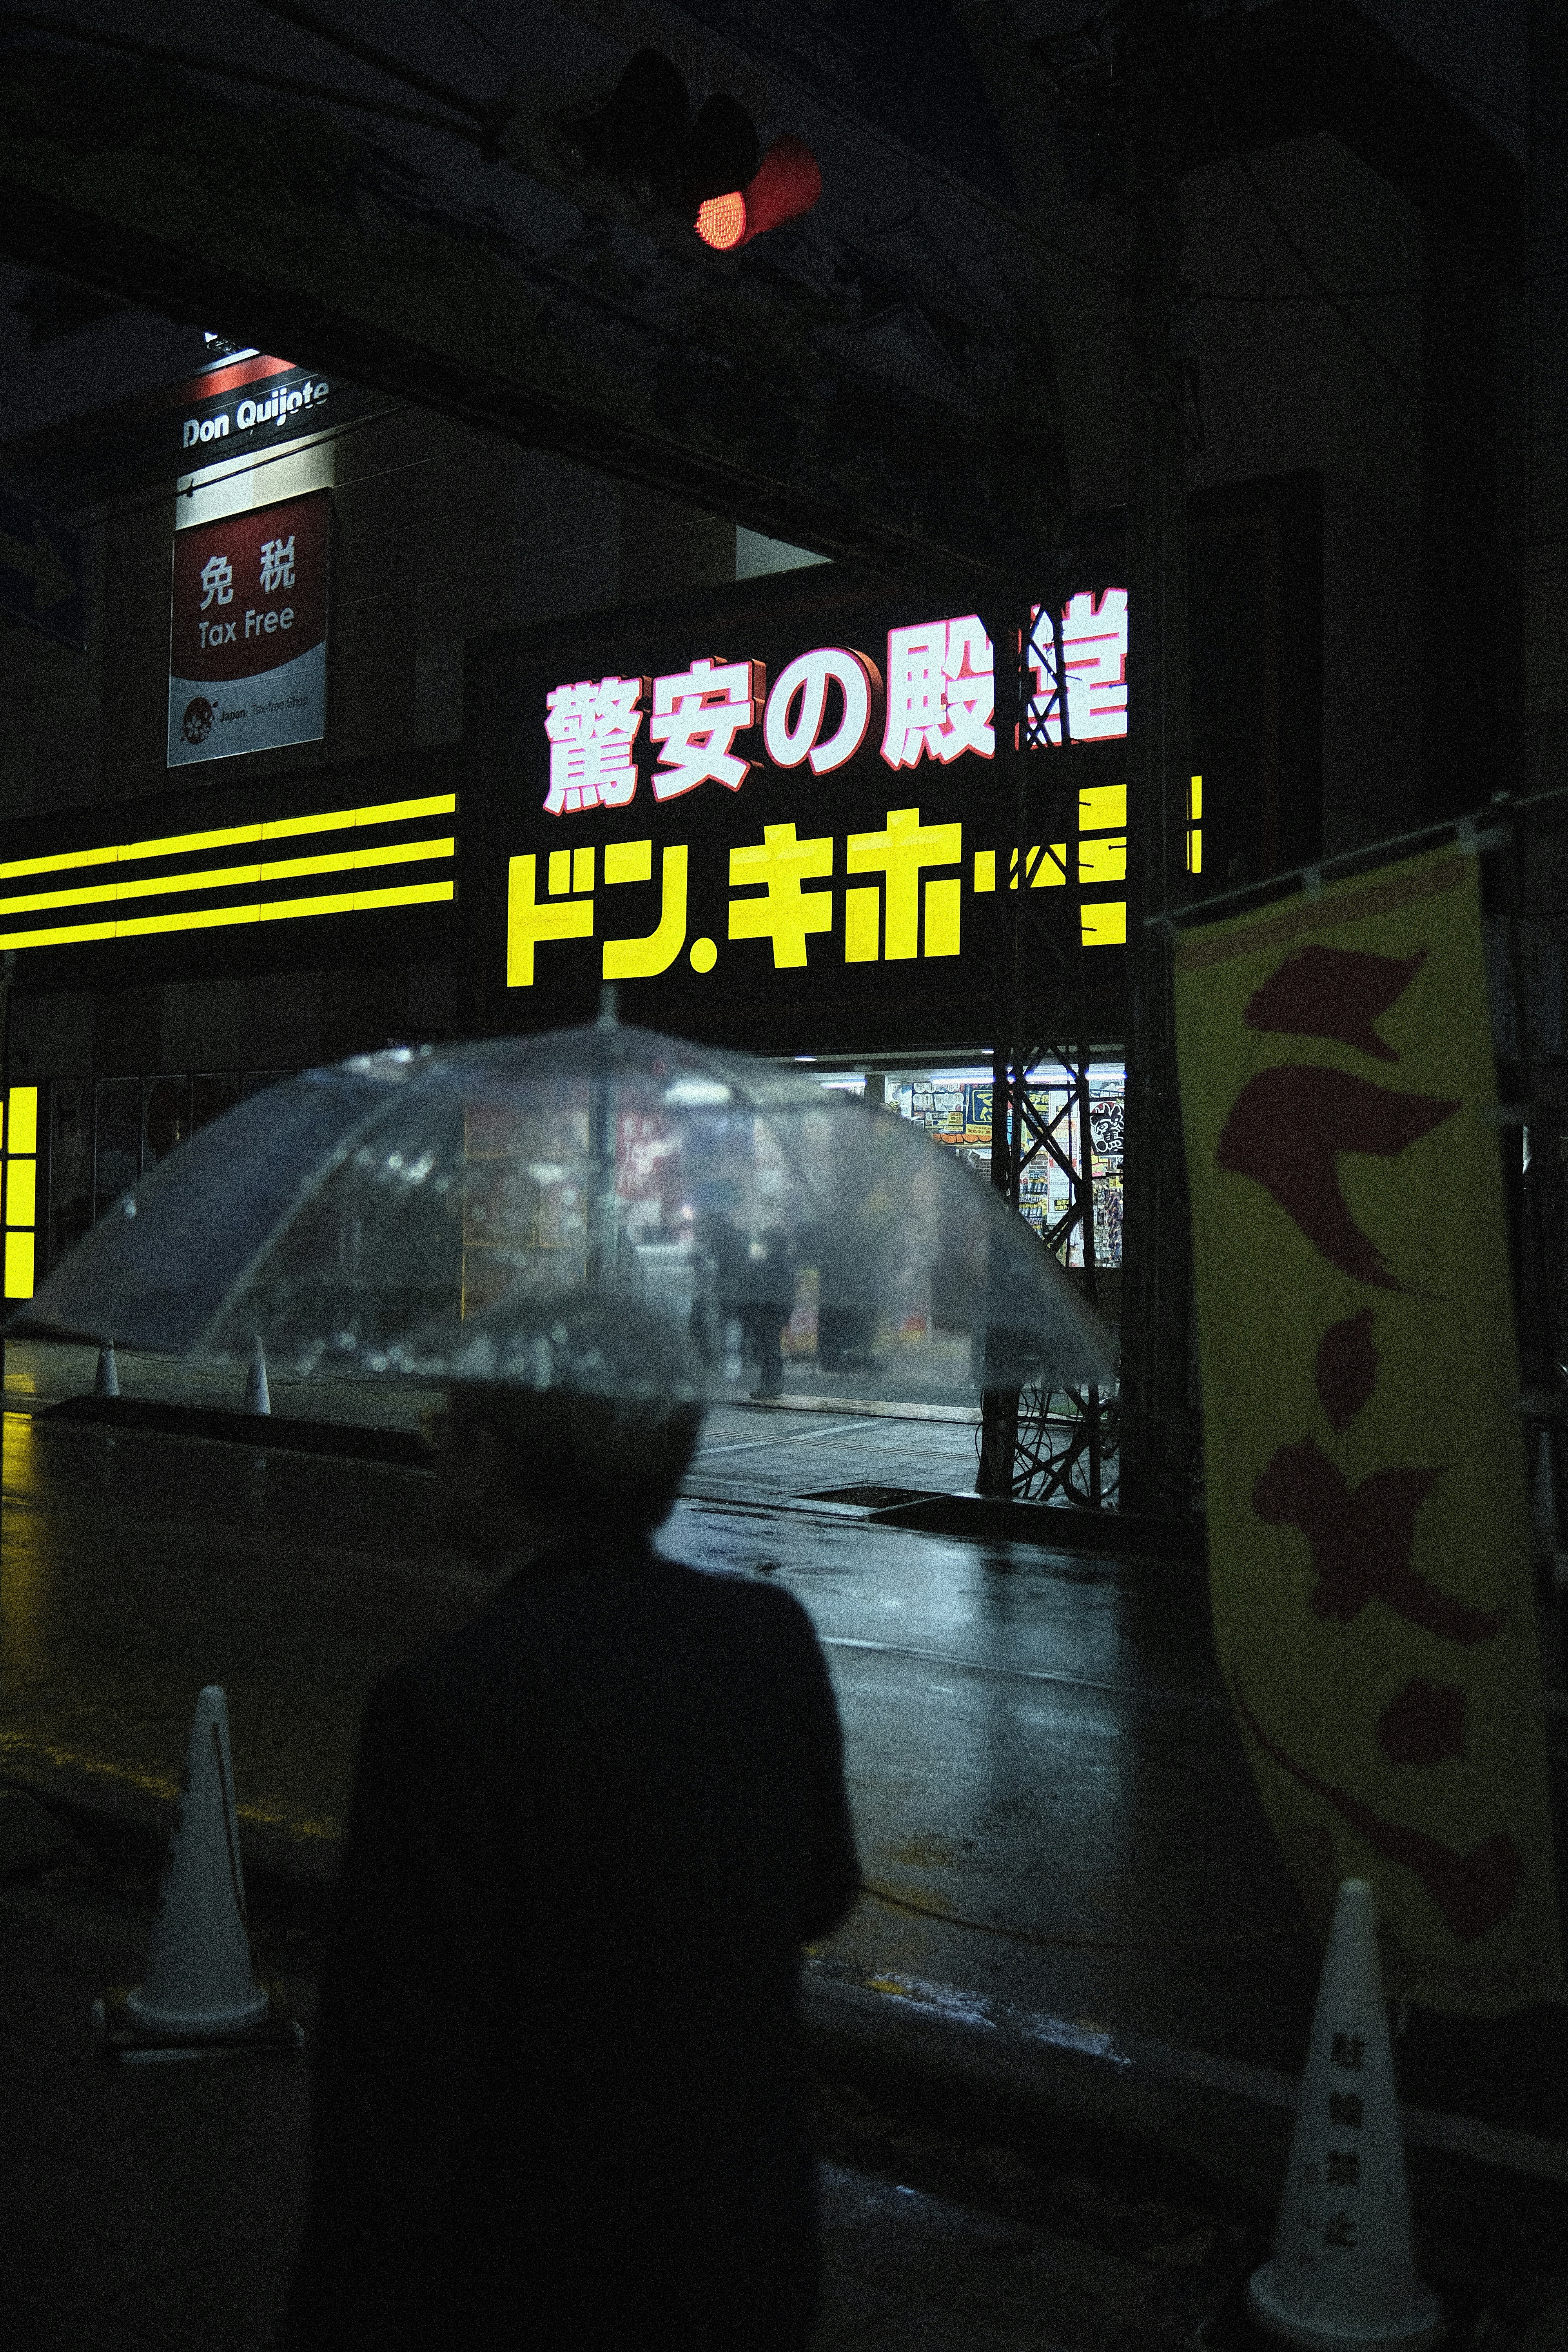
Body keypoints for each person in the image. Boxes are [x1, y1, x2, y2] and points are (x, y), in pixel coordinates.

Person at [279, 1287, 860, 2352]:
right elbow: (823, 1894)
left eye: (441, 1431)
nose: (435, 1457)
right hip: (742, 2254)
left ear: (497, 1456)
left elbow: (396, 2085)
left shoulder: (449, 1704)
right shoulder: (767, 1636)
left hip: (534, 2282)